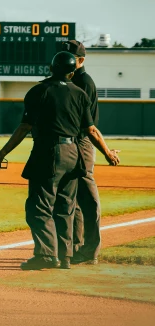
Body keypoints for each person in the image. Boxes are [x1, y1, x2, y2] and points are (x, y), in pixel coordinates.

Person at [0, 51, 120, 270]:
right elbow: (91, 130)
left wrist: (1, 154)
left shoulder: (39, 91)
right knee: (66, 207)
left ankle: (46, 254)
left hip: (48, 152)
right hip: (73, 153)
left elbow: (24, 127)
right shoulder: (80, 93)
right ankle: (65, 256)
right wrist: (108, 153)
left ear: (51, 68)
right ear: (72, 71)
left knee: (38, 206)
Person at [62, 40, 104, 265]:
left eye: (70, 56)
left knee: (88, 199)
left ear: (81, 60)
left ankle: (91, 249)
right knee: (73, 199)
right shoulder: (70, 80)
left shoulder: (83, 81)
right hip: (72, 143)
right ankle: (77, 246)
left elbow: (86, 124)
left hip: (82, 142)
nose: (66, 59)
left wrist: (104, 149)